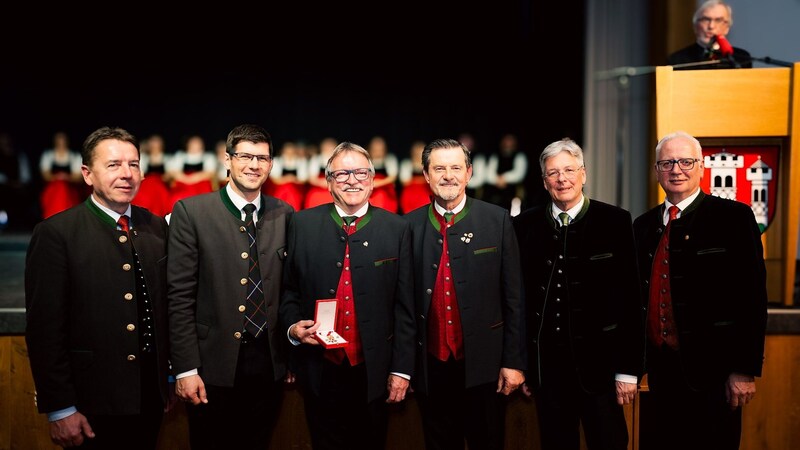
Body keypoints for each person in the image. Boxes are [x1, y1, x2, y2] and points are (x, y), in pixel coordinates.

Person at [25, 126, 171, 449]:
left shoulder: (155, 227)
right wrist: (60, 408)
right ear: (87, 174)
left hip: (149, 399)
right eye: (114, 165)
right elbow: (44, 330)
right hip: (89, 404)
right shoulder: (57, 234)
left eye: (133, 164)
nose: (127, 174)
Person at [633, 131, 768, 450]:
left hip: (716, 375)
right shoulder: (642, 226)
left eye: (685, 161)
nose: (676, 169)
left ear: (702, 166)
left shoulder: (734, 217)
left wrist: (743, 369)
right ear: (656, 171)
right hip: (660, 376)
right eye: (667, 163)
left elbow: (752, 297)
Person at [280, 141, 415, 449]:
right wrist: (291, 328)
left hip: (375, 371)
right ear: (328, 182)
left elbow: (405, 306)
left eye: (360, 173)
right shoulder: (301, 224)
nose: (352, 180)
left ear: (373, 179)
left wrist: (401, 369)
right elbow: (289, 290)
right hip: (318, 368)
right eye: (342, 174)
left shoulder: (397, 228)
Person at [168, 124, 294, 450]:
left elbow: (291, 289)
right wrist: (185, 369)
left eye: (262, 158)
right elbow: (179, 296)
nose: (254, 165)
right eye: (245, 156)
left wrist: (291, 358)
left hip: (269, 364)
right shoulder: (191, 212)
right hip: (211, 365)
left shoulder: (286, 214)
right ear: (227, 159)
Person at [513, 138, 644, 450]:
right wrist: (525, 365)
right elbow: (518, 302)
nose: (563, 179)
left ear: (583, 174)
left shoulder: (615, 221)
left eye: (569, 170)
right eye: (553, 173)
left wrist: (629, 369)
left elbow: (631, 299)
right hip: (548, 374)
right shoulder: (524, 225)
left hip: (602, 371)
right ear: (544, 181)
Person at [405, 138, 525, 450]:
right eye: (439, 168)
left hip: (486, 367)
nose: (448, 175)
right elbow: (402, 303)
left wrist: (514, 361)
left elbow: (514, 298)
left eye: (456, 167)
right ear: (427, 175)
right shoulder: (409, 226)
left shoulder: (497, 220)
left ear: (469, 173)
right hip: (430, 368)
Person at [667, 0, 752, 69]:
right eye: (706, 19)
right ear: (695, 26)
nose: (711, 26)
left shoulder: (741, 58)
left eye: (718, 20)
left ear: (727, 28)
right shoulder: (678, 60)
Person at [39, 131, 83, 219]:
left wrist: (66, 177)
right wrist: (57, 177)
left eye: (63, 140)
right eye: (59, 141)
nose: (61, 143)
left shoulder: (74, 156)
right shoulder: (48, 155)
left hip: (70, 189)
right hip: (52, 189)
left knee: (63, 189)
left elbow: (78, 177)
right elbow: (45, 175)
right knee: (59, 187)